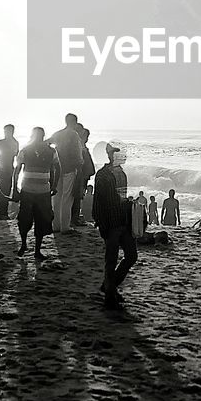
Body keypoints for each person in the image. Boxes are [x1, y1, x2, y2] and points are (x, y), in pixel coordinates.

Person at [93, 141, 136, 309]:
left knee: (131, 256)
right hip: (110, 222)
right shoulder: (103, 175)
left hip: (123, 220)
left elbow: (122, 196)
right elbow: (98, 201)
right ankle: (110, 294)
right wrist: (100, 222)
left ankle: (110, 286)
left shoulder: (121, 173)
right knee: (110, 260)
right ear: (110, 155)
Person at [14, 127, 56, 259]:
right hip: (29, 190)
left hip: (41, 191)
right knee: (25, 219)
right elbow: (17, 170)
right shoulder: (26, 150)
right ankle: (24, 244)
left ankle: (36, 250)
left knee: (41, 220)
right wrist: (14, 188)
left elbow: (57, 168)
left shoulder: (50, 151)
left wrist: (54, 185)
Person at [46, 113, 83, 234]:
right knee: (67, 198)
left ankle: (55, 225)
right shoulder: (74, 135)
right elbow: (78, 154)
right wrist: (80, 164)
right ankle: (65, 227)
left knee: (57, 197)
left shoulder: (58, 134)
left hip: (57, 169)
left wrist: (51, 156)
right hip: (69, 168)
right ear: (75, 122)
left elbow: (46, 143)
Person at [73, 124, 94, 226]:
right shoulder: (79, 146)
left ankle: (76, 216)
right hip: (81, 175)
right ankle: (75, 217)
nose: (87, 139)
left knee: (80, 196)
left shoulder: (81, 146)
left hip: (84, 175)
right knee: (77, 196)